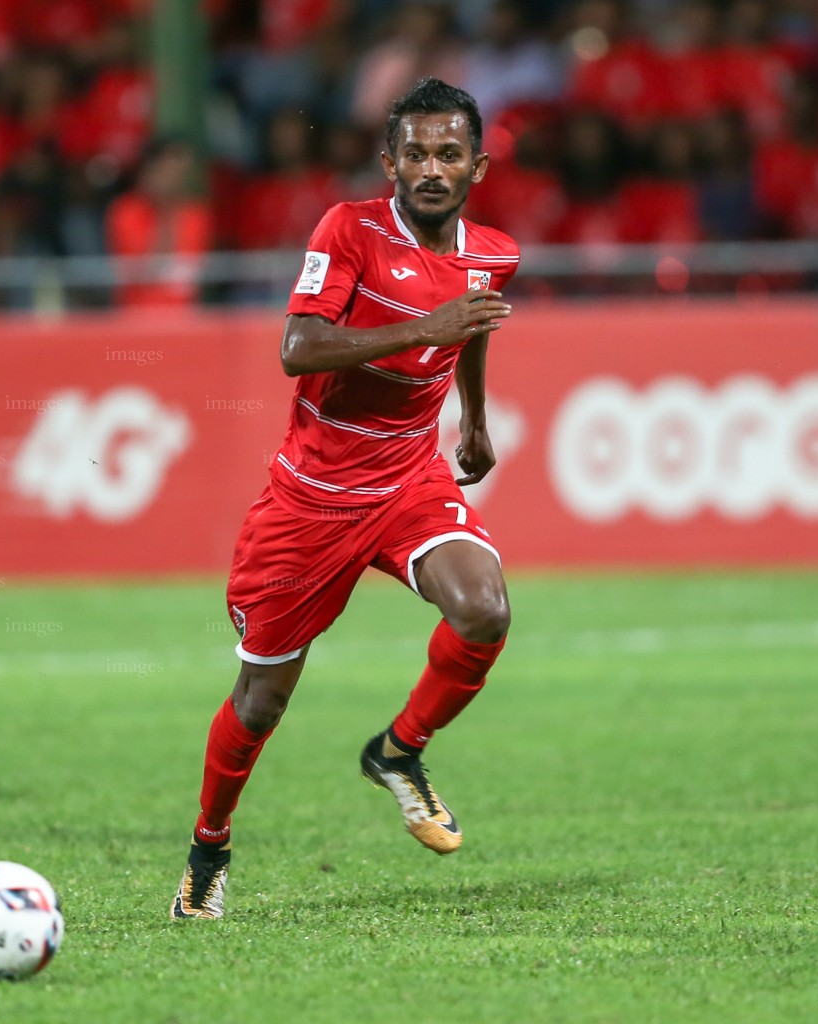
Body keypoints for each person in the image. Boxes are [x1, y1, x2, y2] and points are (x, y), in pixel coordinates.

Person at [171, 77, 518, 920]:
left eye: (448, 152)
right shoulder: (349, 229)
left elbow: (468, 321)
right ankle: (208, 848)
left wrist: (471, 418)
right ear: (389, 161)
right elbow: (298, 347)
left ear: (477, 162)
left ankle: (399, 751)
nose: (431, 167)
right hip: (313, 499)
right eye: (415, 153)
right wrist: (418, 329)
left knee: (485, 608)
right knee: (260, 704)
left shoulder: (496, 251)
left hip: (409, 478)